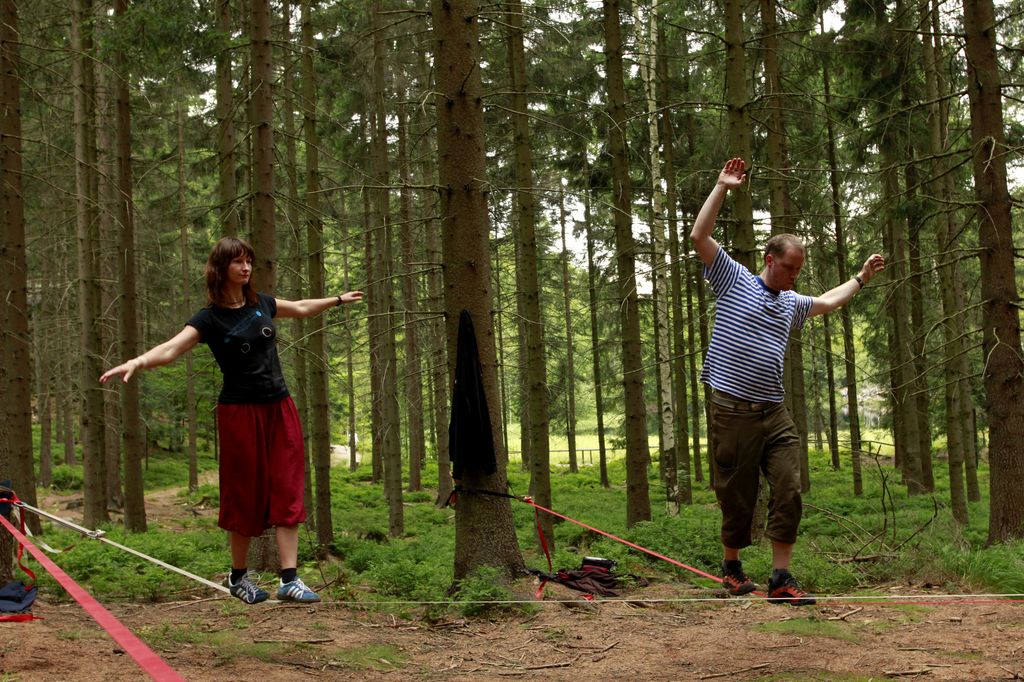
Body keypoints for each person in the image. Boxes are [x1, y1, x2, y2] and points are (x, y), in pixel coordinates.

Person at [101, 236, 363, 605]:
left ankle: (290, 579)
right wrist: (137, 362)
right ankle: (238, 577)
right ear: (220, 268)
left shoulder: (262, 305)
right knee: (243, 493)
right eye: (238, 262)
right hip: (240, 413)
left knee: (288, 488)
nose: (246, 268)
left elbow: (303, 307)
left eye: (249, 262)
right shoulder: (208, 319)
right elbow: (171, 349)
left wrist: (337, 300)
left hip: (279, 408)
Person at [690, 158, 885, 605]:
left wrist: (859, 278)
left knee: (789, 487)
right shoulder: (733, 279)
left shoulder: (792, 302)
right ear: (769, 259)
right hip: (732, 410)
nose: (794, 277)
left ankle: (781, 579)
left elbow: (829, 302)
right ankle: (733, 567)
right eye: (789, 268)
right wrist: (722, 187)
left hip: (774, 412)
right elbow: (700, 237)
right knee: (737, 496)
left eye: (799, 271)